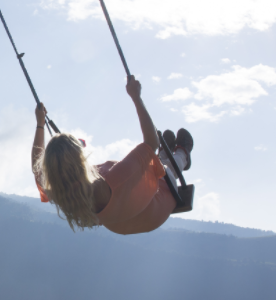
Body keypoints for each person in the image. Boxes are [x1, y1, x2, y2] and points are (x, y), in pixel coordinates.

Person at [31, 75, 193, 235]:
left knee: (149, 161)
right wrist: (136, 97)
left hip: (122, 224)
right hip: (154, 208)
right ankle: (182, 154)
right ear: (78, 159)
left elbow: (37, 170)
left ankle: (164, 156)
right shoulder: (116, 180)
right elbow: (152, 142)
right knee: (165, 173)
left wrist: (40, 124)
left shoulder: (62, 193)